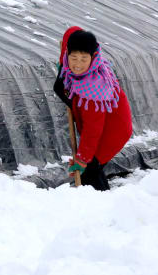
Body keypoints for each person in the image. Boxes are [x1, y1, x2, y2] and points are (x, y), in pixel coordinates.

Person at [52, 27, 133, 191]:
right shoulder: (89, 70)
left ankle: (100, 207)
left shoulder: (92, 90)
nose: (77, 64)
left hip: (110, 133)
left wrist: (82, 159)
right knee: (93, 170)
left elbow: (92, 130)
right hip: (104, 125)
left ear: (93, 58)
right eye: (73, 58)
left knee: (88, 172)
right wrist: (63, 63)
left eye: (83, 59)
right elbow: (72, 32)